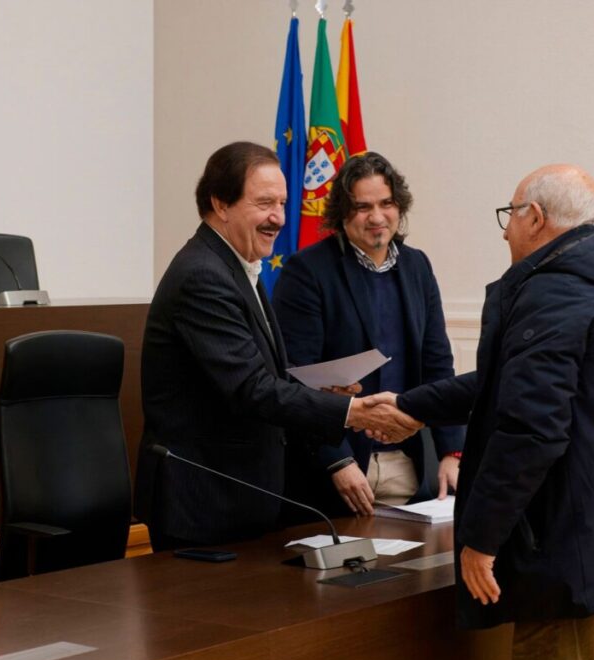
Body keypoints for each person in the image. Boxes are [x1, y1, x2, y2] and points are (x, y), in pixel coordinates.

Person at [372, 165, 594, 660]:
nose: (505, 230)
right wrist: (414, 406)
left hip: (577, 569)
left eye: (510, 214)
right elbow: (509, 383)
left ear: (535, 218)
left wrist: (482, 540)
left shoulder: (556, 293)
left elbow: (531, 430)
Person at [134, 141, 420, 551]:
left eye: (283, 204)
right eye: (265, 203)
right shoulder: (203, 276)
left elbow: (266, 377)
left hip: (242, 500)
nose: (279, 219)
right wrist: (352, 412)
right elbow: (252, 390)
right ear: (221, 203)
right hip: (204, 504)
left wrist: (318, 392)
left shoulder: (235, 266)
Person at [272, 152, 465, 518]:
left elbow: (438, 365)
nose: (377, 217)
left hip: (410, 466)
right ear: (342, 213)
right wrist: (337, 460)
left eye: (386, 203)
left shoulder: (417, 266)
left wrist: (450, 452)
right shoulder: (306, 271)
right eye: (362, 207)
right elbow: (298, 379)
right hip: (338, 473)